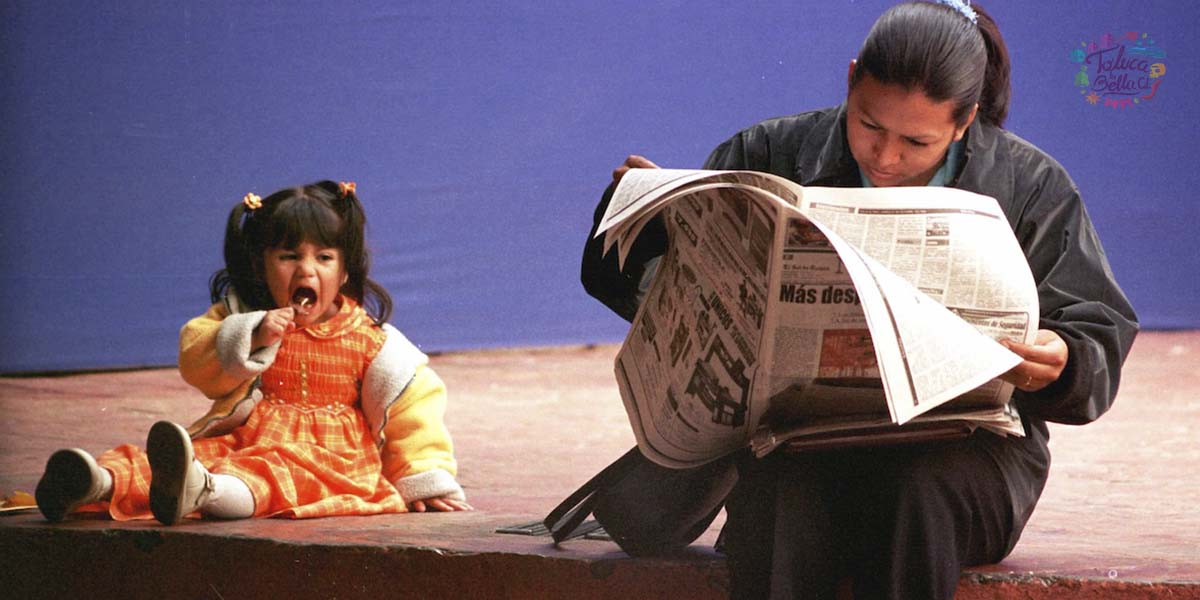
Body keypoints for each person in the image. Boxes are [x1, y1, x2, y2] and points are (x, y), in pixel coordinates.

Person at [582, 1, 1138, 598]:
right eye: (869, 125)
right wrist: (643, 223)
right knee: (782, 492)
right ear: (851, 80)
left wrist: (1062, 361)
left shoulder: (1032, 186)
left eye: (916, 141)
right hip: (797, 437)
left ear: (964, 122)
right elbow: (645, 286)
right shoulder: (770, 153)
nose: (886, 156)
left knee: (914, 495)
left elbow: (1095, 329)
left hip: (962, 452)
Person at [36, 180, 471, 525]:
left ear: (343, 272)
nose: (306, 269)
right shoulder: (245, 318)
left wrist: (423, 477)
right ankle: (96, 483)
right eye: (289, 256)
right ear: (261, 267)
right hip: (251, 437)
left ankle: (202, 491)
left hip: (331, 461)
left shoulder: (370, 339)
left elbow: (412, 408)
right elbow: (195, 357)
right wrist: (250, 335)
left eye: (324, 257)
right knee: (198, 457)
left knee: (268, 474)